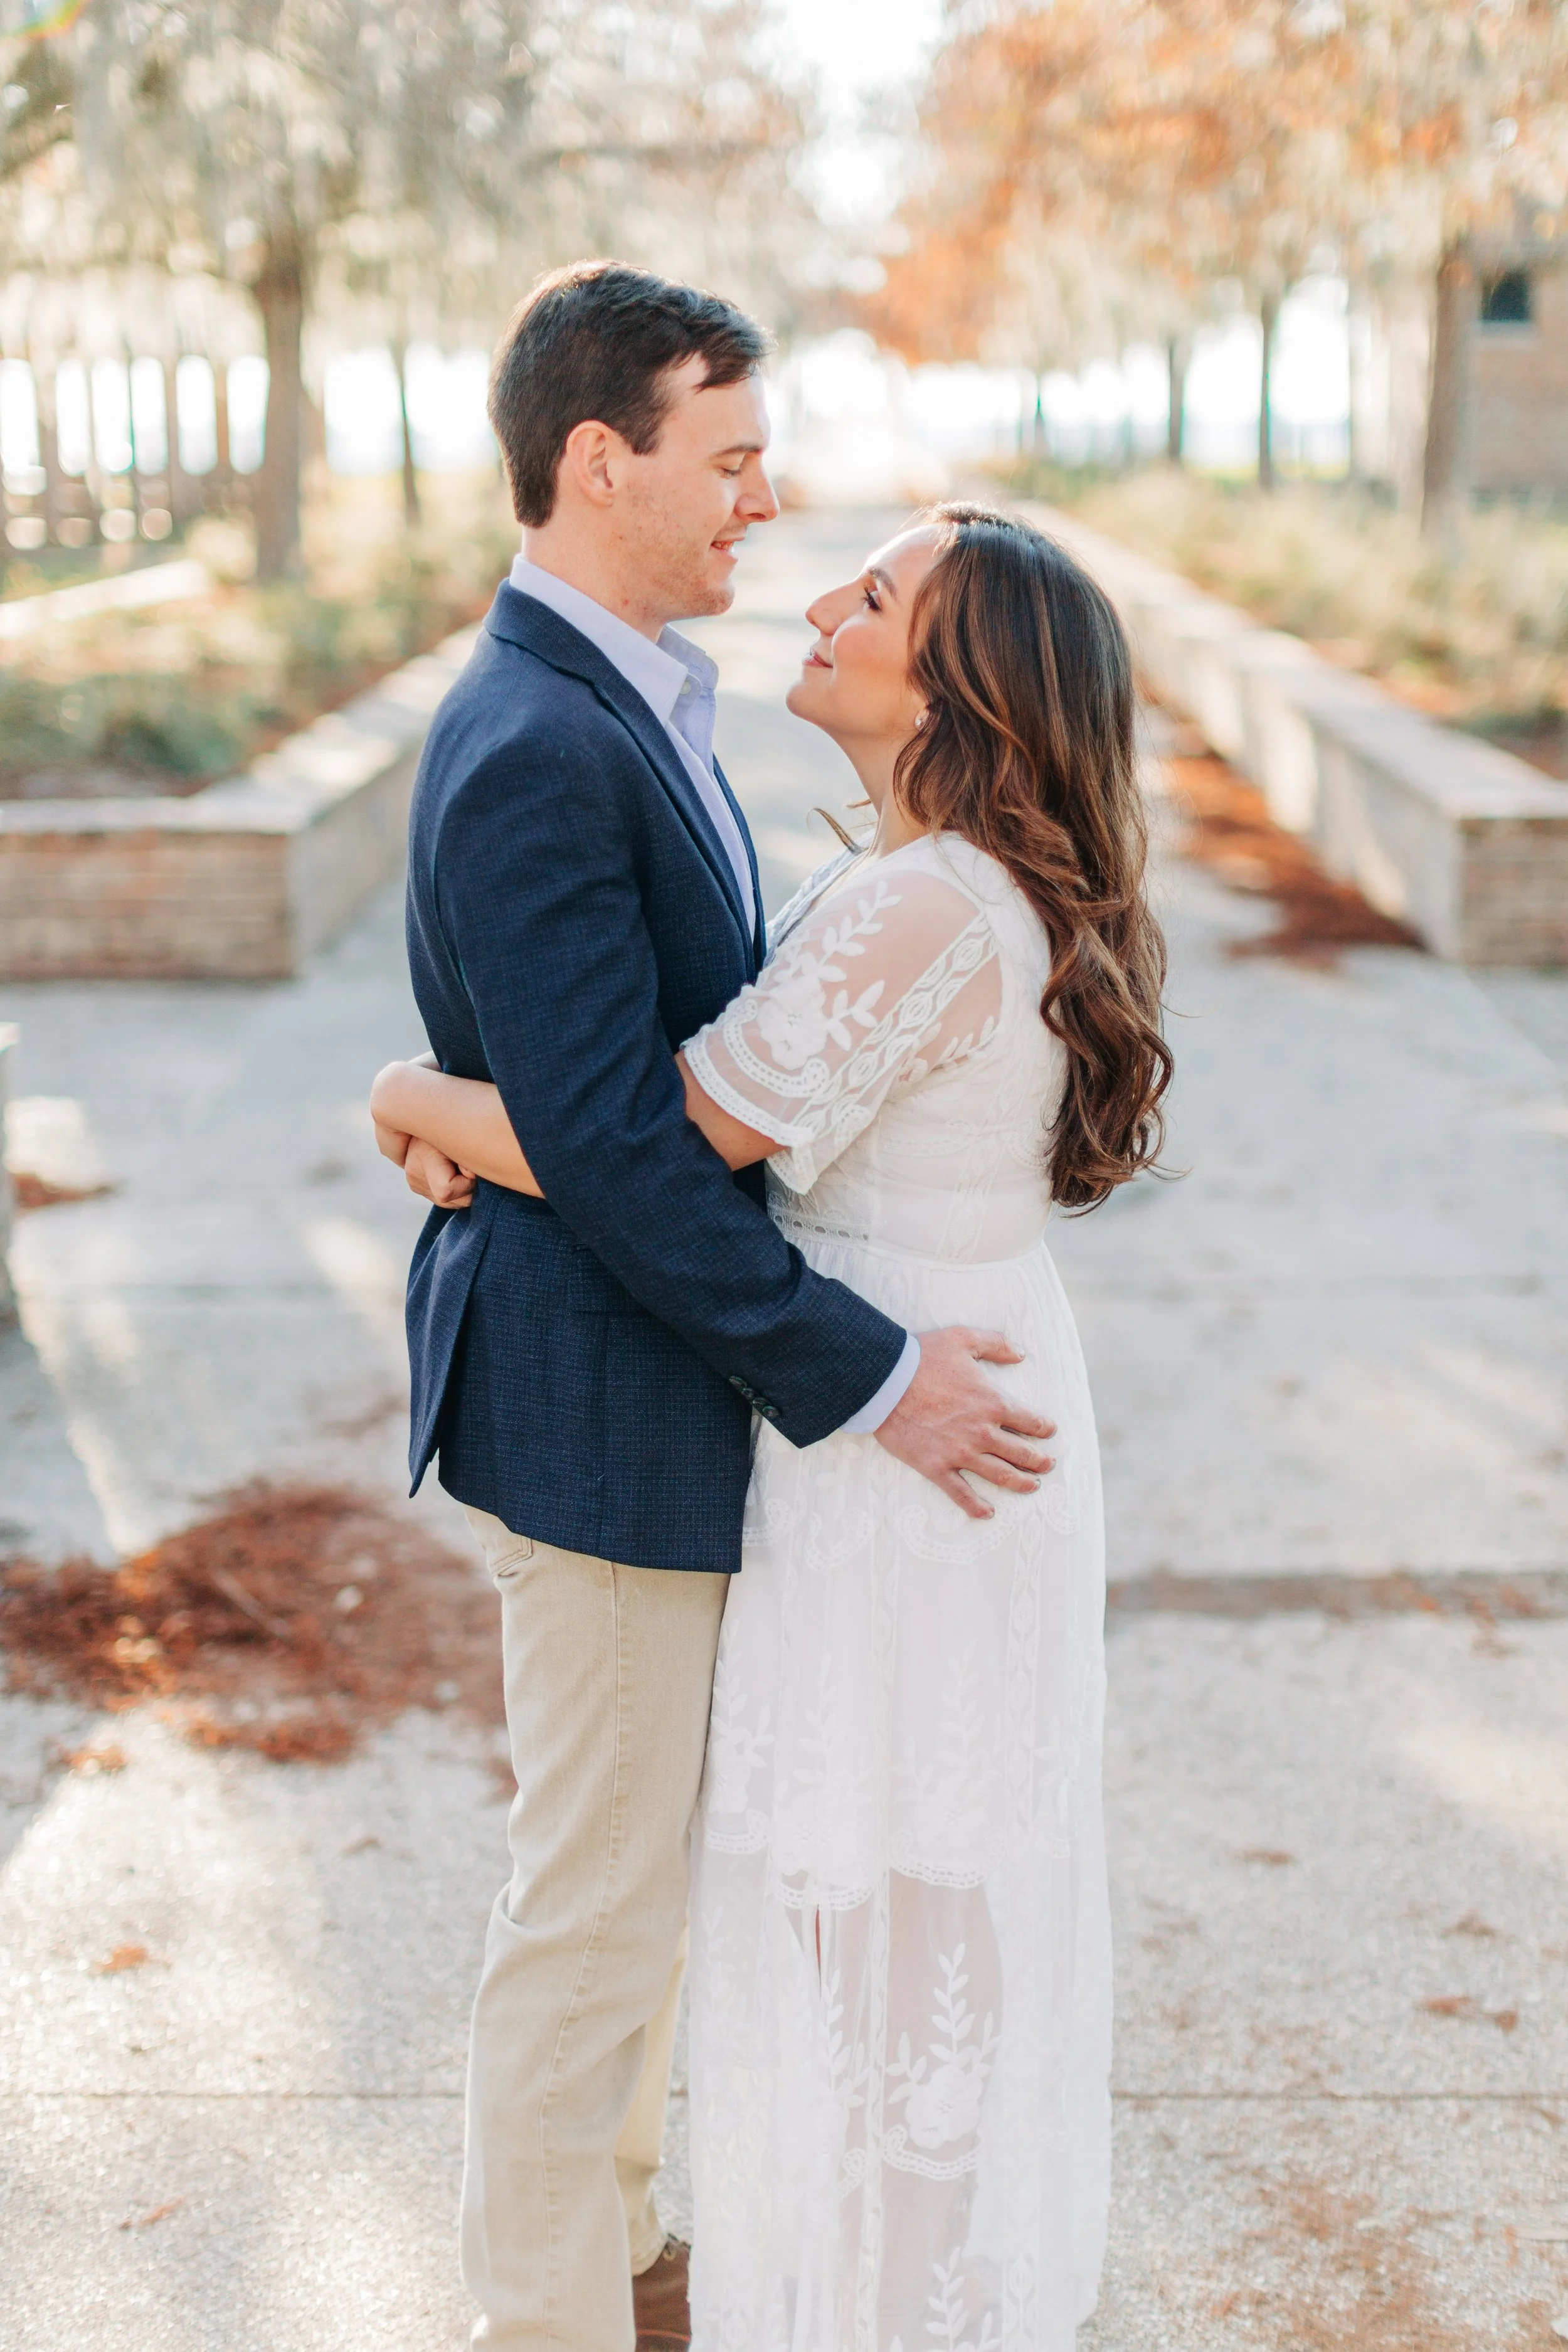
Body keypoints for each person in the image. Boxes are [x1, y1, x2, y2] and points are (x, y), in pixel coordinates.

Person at [376, 487, 1171, 2346]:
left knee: (876, 1891)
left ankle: (873, 2301)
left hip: (905, 1435)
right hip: (942, 1390)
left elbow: (650, 1141)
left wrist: (408, 1089)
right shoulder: (944, 879)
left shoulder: (915, 903)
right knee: (903, 1883)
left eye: (877, 593)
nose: (823, 596)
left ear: (959, 677)